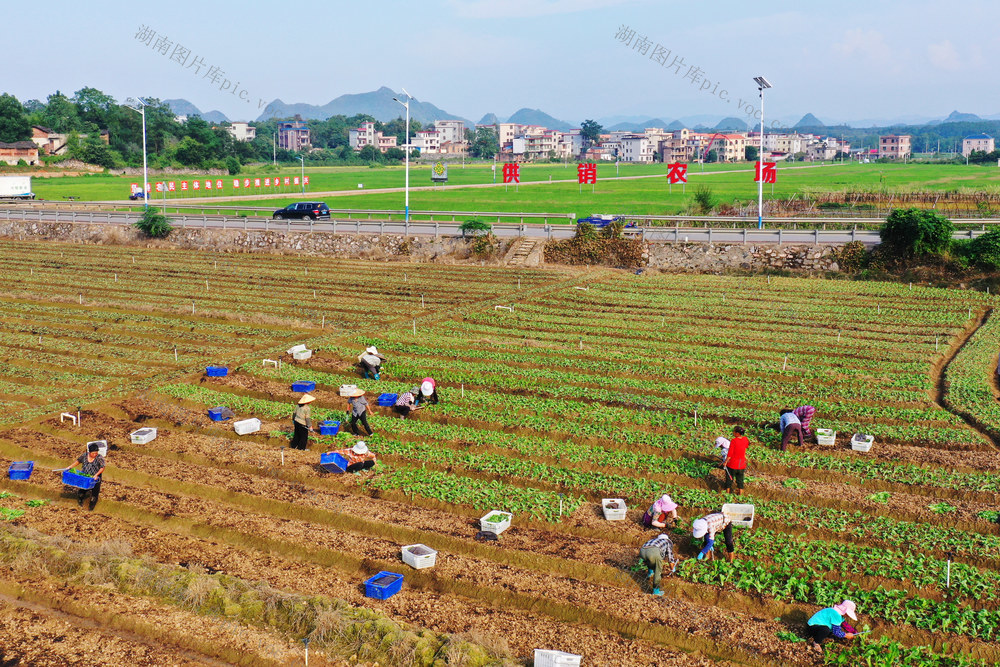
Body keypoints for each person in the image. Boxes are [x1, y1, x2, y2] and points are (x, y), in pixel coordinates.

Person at [66, 442, 105, 510]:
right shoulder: (84, 455)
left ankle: (90, 509)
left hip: (95, 478)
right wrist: (70, 467)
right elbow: (78, 461)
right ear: (89, 452)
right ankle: (80, 502)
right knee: (82, 492)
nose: (95, 454)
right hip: (85, 477)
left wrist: (96, 475)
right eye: (93, 453)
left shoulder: (99, 458)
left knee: (94, 495)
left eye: (96, 453)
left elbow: (102, 468)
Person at [723, 426, 749, 495]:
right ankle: (741, 495)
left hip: (733, 464)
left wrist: (725, 462)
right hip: (742, 464)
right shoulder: (745, 439)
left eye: (734, 431)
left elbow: (730, 453)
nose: (733, 432)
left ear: (737, 433)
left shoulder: (734, 441)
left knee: (729, 480)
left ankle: (727, 493)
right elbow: (746, 446)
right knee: (740, 480)